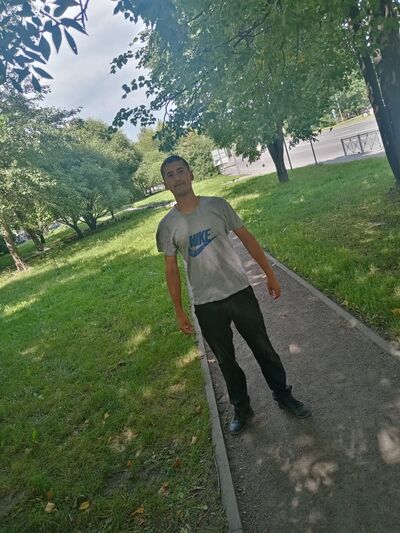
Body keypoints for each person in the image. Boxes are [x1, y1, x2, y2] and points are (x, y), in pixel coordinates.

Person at [156, 155, 311, 435]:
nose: (177, 177)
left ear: (191, 174)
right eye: (170, 174)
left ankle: (283, 395)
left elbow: (247, 237)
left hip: (239, 292)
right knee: (226, 361)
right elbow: (171, 270)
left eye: (181, 171)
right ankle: (242, 408)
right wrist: (178, 310)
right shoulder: (167, 226)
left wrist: (270, 274)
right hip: (206, 304)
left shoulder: (217, 206)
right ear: (165, 184)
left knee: (264, 349)